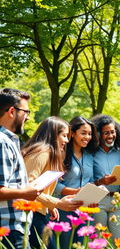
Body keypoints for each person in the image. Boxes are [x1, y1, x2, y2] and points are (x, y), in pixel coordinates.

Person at [22, 116, 83, 249]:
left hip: (38, 213)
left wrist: (50, 206)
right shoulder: (42, 153)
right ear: (54, 134)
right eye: (64, 135)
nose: (67, 140)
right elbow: (27, 188)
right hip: (31, 214)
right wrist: (57, 203)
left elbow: (40, 187)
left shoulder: (49, 153)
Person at [0, 88, 42, 249]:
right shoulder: (2, 142)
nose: (28, 117)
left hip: (15, 228)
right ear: (12, 111)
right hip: (8, 230)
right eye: (26, 111)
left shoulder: (9, 141)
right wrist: (25, 193)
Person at [54, 116, 99, 249]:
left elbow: (90, 181)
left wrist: (92, 196)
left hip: (84, 209)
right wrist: (75, 192)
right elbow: (54, 184)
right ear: (72, 133)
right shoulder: (60, 154)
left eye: (90, 134)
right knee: (65, 245)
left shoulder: (90, 156)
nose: (88, 137)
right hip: (64, 206)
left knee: (81, 244)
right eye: (83, 133)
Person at [91, 114, 120, 240]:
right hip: (98, 201)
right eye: (106, 133)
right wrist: (101, 181)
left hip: (117, 200)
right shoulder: (92, 154)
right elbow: (87, 180)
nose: (110, 136)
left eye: (112, 132)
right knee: (99, 241)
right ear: (98, 135)